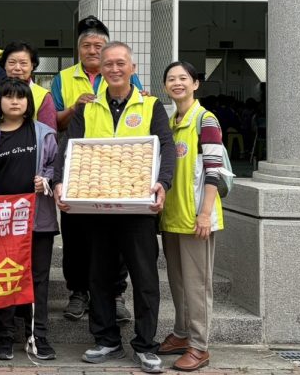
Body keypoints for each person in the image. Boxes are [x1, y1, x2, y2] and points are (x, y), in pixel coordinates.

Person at [56, 41, 175, 374]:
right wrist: (60, 181)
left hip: (138, 209)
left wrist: (163, 183)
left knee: (145, 278)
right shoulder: (88, 108)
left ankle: (145, 344)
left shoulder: (150, 106)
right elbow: (68, 148)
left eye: (121, 63)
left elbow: (165, 147)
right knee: (99, 277)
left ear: (132, 68)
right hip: (98, 207)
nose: (114, 69)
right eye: (108, 64)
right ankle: (106, 339)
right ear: (101, 70)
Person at [0, 79, 59, 362]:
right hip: (2, 224)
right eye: (8, 97)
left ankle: (38, 337)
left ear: (28, 102)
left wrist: (46, 180)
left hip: (38, 220)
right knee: (4, 277)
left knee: (39, 280)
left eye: (20, 97)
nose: (14, 101)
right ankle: (4, 338)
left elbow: (56, 166)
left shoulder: (44, 133)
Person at [51, 16, 131, 323]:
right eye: (87, 45)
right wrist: (74, 108)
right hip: (77, 166)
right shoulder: (63, 78)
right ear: (78, 49)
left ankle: (116, 293)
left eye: (99, 45)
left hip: (115, 167)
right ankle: (78, 292)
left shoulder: (122, 74)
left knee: (116, 233)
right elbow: (54, 121)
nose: (93, 50)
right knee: (75, 233)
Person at [158, 62, 224, 372]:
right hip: (173, 216)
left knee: (197, 286)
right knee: (178, 283)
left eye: (183, 78)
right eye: (171, 79)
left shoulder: (204, 119)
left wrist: (205, 213)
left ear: (195, 84)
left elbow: (214, 170)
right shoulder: (171, 122)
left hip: (198, 217)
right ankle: (182, 333)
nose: (177, 83)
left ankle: (199, 346)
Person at [0, 41, 56, 131]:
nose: (17, 68)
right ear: (4, 65)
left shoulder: (44, 96)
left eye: (23, 63)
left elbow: (48, 134)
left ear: (32, 66)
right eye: (12, 62)